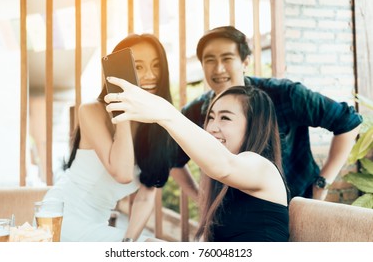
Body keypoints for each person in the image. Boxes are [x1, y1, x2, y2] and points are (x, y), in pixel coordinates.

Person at [171, 25, 362, 200]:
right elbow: (172, 158)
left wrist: (321, 184)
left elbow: (349, 121)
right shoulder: (196, 111)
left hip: (294, 205)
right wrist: (200, 197)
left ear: (245, 62)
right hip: (234, 219)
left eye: (227, 58)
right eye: (210, 60)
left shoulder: (285, 94)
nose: (219, 68)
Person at [105, 79, 290, 242]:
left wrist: (164, 112)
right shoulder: (227, 186)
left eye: (225, 118)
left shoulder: (263, 168)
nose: (211, 127)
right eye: (210, 117)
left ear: (254, 126)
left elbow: (222, 166)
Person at [42, 33, 177, 242]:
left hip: (98, 224)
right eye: (138, 67)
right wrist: (120, 107)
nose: (150, 75)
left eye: (156, 66)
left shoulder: (158, 125)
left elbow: (146, 195)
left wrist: (128, 242)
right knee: (156, 247)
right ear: (117, 72)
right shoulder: (91, 111)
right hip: (61, 217)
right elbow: (122, 173)